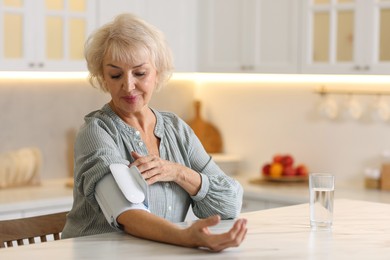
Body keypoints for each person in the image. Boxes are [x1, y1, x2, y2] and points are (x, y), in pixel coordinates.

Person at [61, 13, 247, 252]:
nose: (128, 86)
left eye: (140, 73)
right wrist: (188, 237)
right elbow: (127, 211)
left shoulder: (176, 129)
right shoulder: (97, 132)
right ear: (103, 78)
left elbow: (230, 204)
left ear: (157, 72)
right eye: (116, 75)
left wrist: (179, 173)